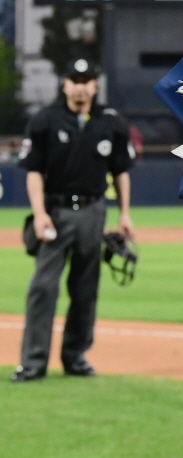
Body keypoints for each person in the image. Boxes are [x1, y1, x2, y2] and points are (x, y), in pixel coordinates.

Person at [11, 57, 136, 382]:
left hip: (94, 211)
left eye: (86, 80)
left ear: (95, 85)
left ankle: (75, 356)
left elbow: (120, 172)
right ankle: (33, 362)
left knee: (85, 290)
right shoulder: (45, 120)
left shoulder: (111, 121)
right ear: (64, 83)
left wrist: (124, 213)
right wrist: (38, 214)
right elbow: (34, 171)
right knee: (43, 288)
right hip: (55, 211)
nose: (80, 86)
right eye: (74, 80)